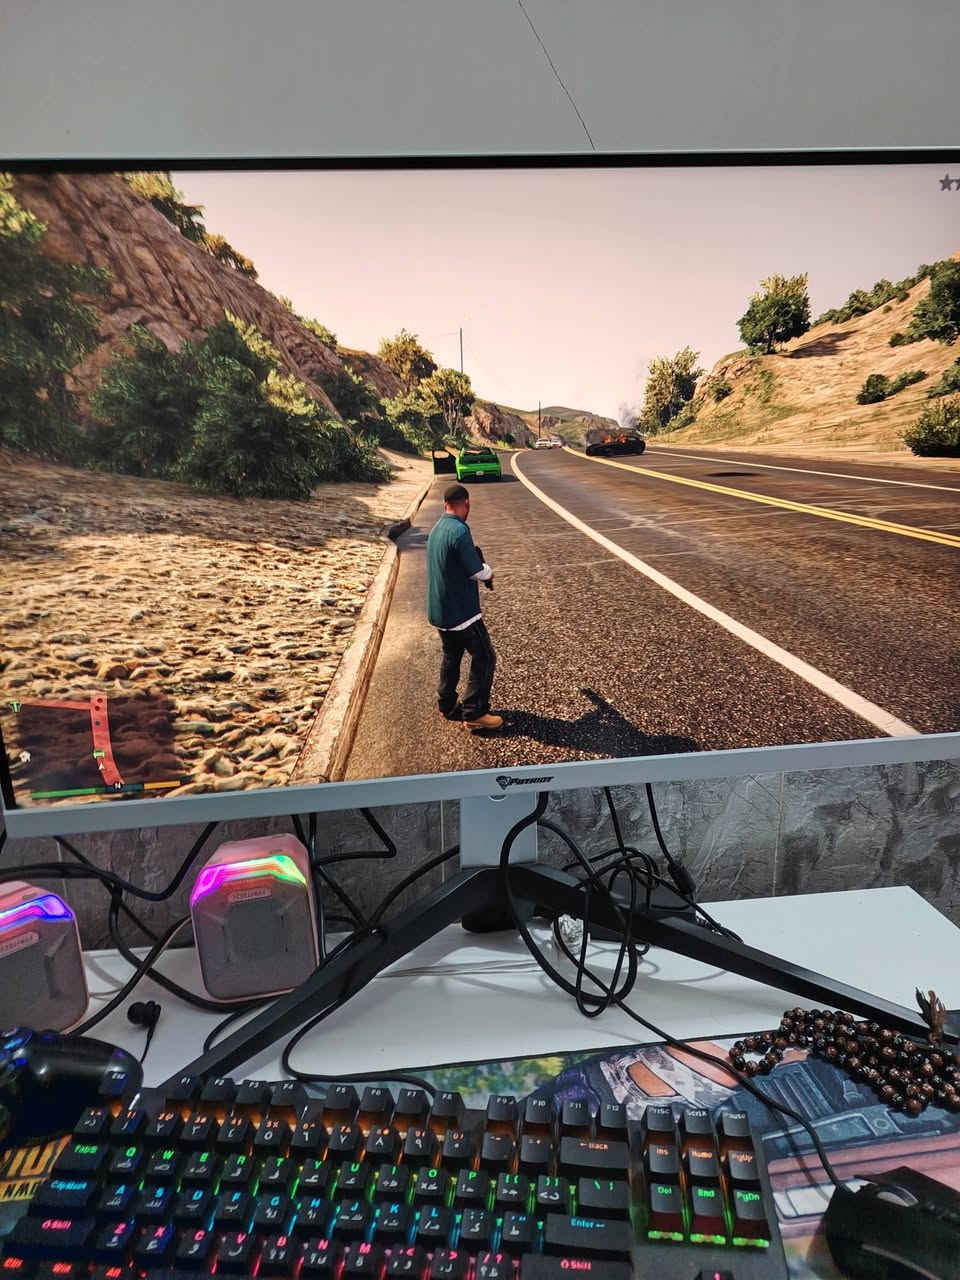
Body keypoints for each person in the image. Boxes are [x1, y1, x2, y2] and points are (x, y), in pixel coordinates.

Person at [426, 483, 502, 730]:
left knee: (452, 655)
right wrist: (489, 571)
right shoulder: (459, 531)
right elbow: (476, 571)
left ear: (445, 504)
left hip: (440, 611)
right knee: (485, 656)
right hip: (461, 612)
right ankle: (474, 712)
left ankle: (446, 704)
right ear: (466, 503)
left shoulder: (437, 529)